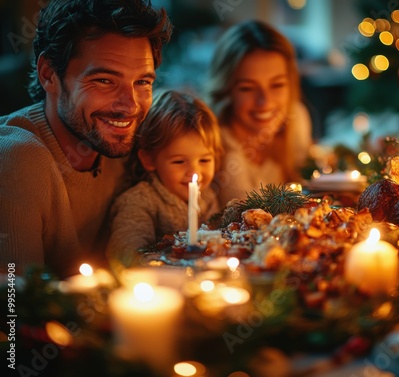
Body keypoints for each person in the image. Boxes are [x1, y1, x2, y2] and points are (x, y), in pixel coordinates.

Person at [0, 0, 172, 278]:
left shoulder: (131, 140)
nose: (130, 106)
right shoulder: (15, 158)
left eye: (142, 82)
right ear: (49, 75)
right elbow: (15, 312)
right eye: (105, 80)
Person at [106, 89, 222, 267]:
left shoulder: (208, 197)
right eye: (179, 161)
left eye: (205, 159)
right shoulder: (138, 201)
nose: (195, 172)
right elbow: (126, 255)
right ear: (150, 159)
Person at [205, 20, 313, 206]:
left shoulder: (296, 118)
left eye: (277, 85)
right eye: (247, 88)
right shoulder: (213, 144)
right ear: (226, 89)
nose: (265, 102)